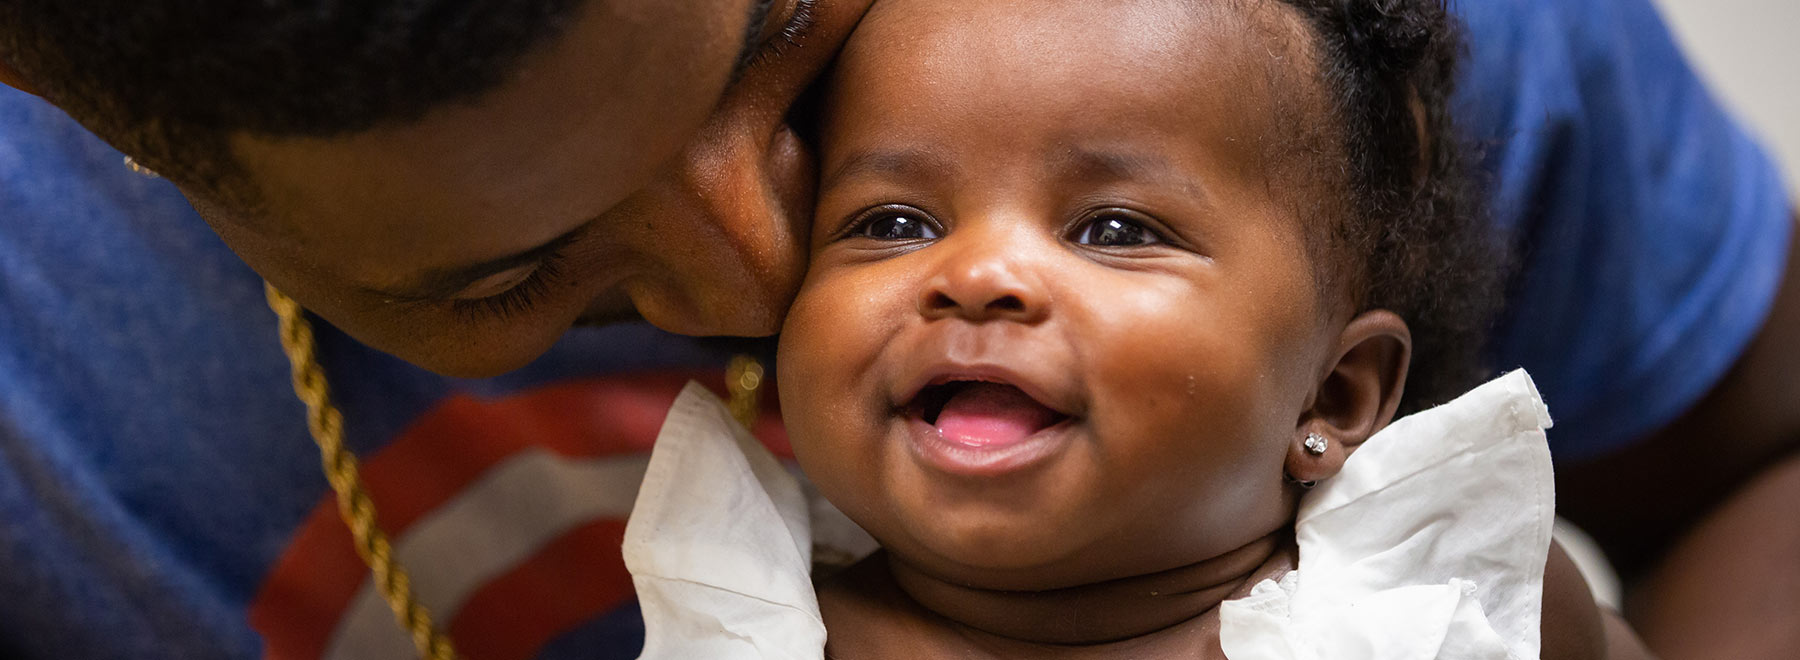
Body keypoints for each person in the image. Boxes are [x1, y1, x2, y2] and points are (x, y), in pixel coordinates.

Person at [0, 0, 1790, 658]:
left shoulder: (1252, 55)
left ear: (1340, 391)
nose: (756, 280)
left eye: (780, 39)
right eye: (498, 276)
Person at [623, 1, 1638, 657]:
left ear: (1334, 396)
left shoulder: (1431, 607)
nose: (977, 274)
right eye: (895, 224)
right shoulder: (755, 632)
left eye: (1113, 230)